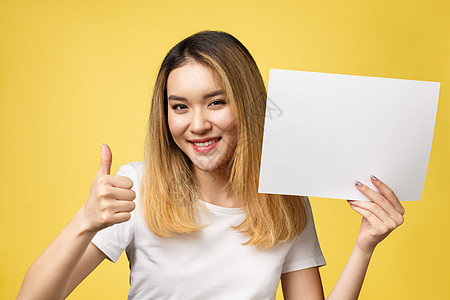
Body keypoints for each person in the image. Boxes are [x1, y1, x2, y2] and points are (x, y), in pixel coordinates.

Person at [17, 30, 405, 300]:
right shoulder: (138, 187)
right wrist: (85, 221)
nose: (197, 124)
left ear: (248, 105)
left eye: (216, 102)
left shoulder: (283, 201)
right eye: (180, 106)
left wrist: (364, 247)